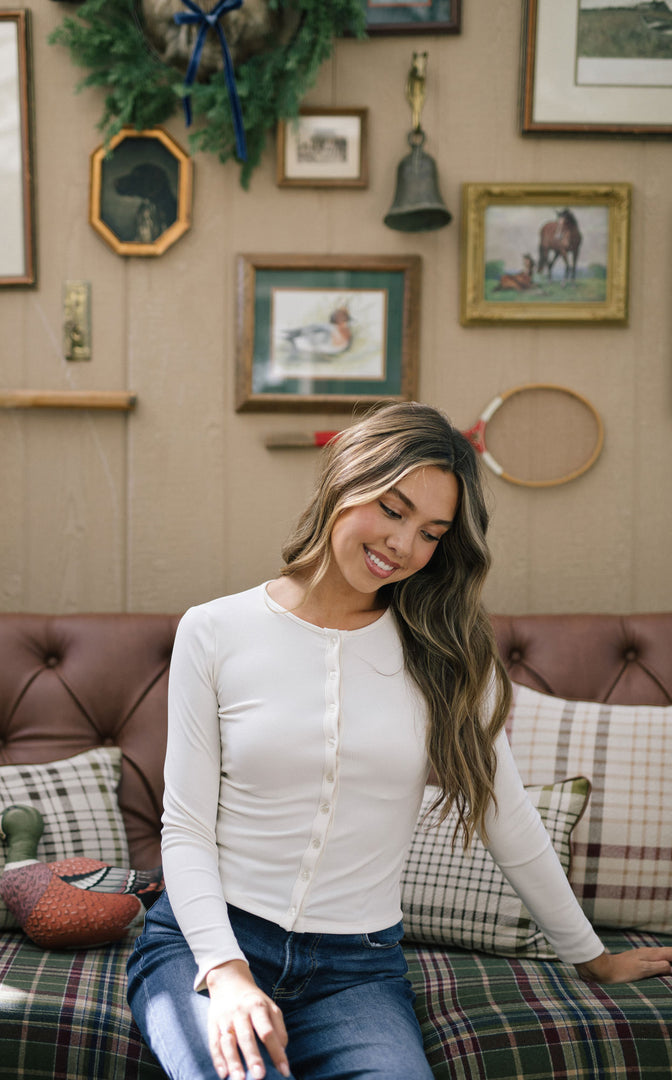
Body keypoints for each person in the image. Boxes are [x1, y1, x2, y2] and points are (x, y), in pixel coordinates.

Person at [127, 401, 672, 1080]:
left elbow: (509, 819)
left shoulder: (444, 657)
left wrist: (592, 956)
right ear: (344, 482)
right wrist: (227, 972)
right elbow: (183, 825)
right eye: (392, 509)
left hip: (355, 969)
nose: (404, 545)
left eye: (430, 532)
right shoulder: (214, 630)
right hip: (206, 942)